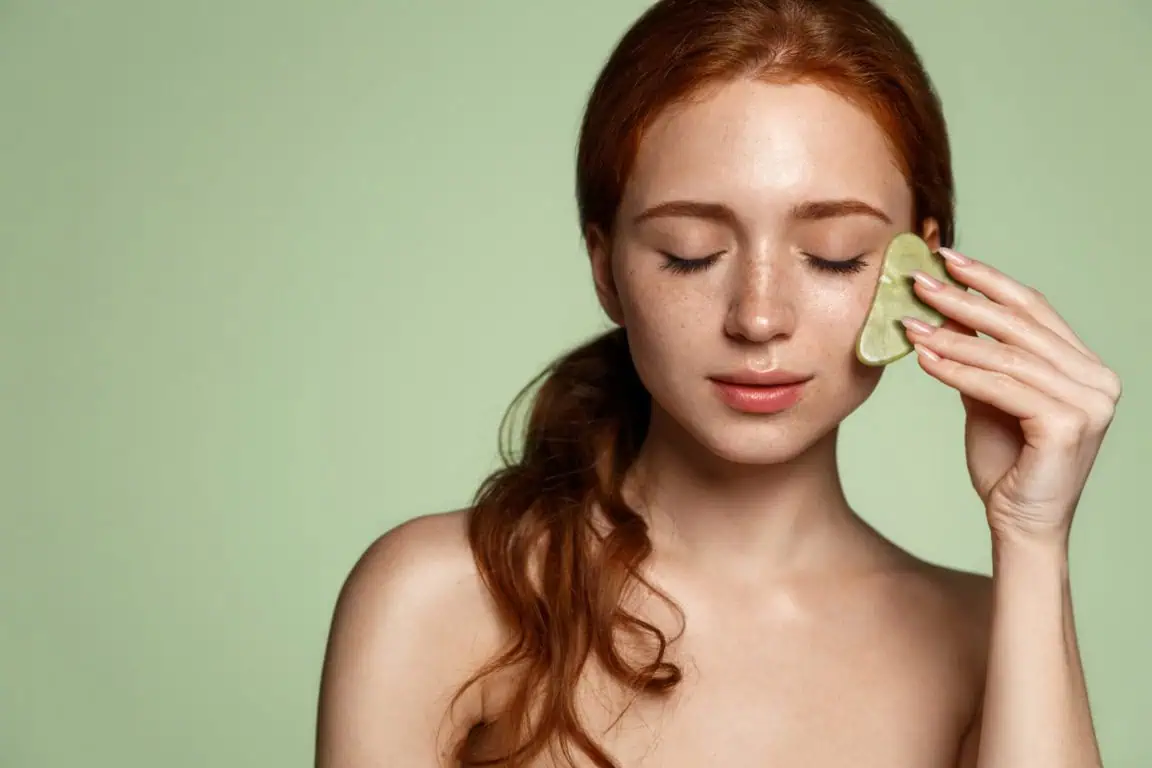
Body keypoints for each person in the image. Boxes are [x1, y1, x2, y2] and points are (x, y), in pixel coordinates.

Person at [315, 0, 1121, 765]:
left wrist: (1033, 537)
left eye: (835, 253)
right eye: (690, 252)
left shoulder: (993, 638)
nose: (759, 317)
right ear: (605, 267)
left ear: (919, 268)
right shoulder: (440, 598)